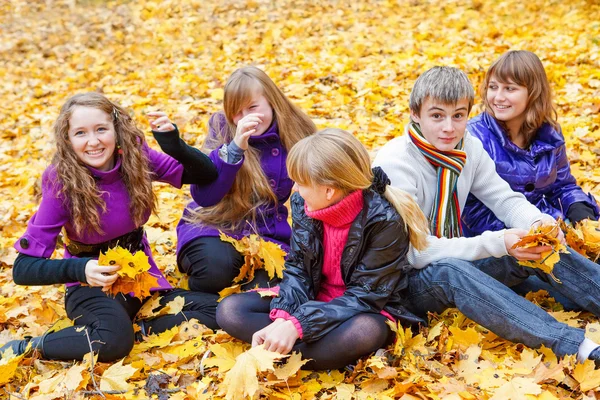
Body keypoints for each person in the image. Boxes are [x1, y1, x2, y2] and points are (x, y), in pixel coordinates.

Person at [373, 66, 600, 365]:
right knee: (451, 271)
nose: (449, 128)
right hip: (405, 284)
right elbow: (415, 252)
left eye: (458, 115)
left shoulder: (468, 148)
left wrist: (538, 224)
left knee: (537, 242)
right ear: (415, 113)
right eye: (437, 115)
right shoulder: (396, 162)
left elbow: (503, 199)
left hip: (452, 258)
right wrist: (499, 242)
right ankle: (579, 348)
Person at [1, 92, 220, 362]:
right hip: (90, 287)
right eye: (80, 133)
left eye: (101, 129)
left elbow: (205, 174)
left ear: (116, 130)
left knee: (217, 310)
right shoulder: (61, 181)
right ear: (67, 140)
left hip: (141, 279)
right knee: (112, 342)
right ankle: (30, 346)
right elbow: (23, 269)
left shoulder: (135, 157)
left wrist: (173, 143)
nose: (93, 141)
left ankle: (134, 332)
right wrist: (81, 269)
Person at [216, 128, 430, 370]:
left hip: (363, 307)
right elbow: (299, 269)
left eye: (300, 182)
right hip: (315, 295)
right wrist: (286, 317)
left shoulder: (384, 221)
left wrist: (298, 325)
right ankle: (316, 354)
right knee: (230, 311)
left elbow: (365, 295)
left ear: (329, 190)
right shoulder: (305, 204)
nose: (294, 189)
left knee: (364, 332)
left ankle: (292, 350)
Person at [462, 50, 599, 304]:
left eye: (509, 89)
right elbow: (471, 212)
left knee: (591, 244)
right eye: (493, 87)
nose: (498, 97)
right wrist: (537, 231)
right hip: (500, 244)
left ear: (532, 92)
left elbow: (563, 187)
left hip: (548, 227)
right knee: (565, 293)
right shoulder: (473, 138)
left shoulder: (548, 133)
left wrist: (581, 213)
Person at [176, 66, 316, 294]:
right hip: (215, 226)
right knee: (216, 270)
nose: (245, 118)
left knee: (275, 287)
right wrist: (234, 150)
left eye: (252, 107)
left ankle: (227, 314)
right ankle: (188, 306)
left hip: (267, 233)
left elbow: (319, 186)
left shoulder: (297, 130)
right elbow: (205, 197)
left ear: (271, 101)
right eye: (237, 112)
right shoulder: (222, 128)